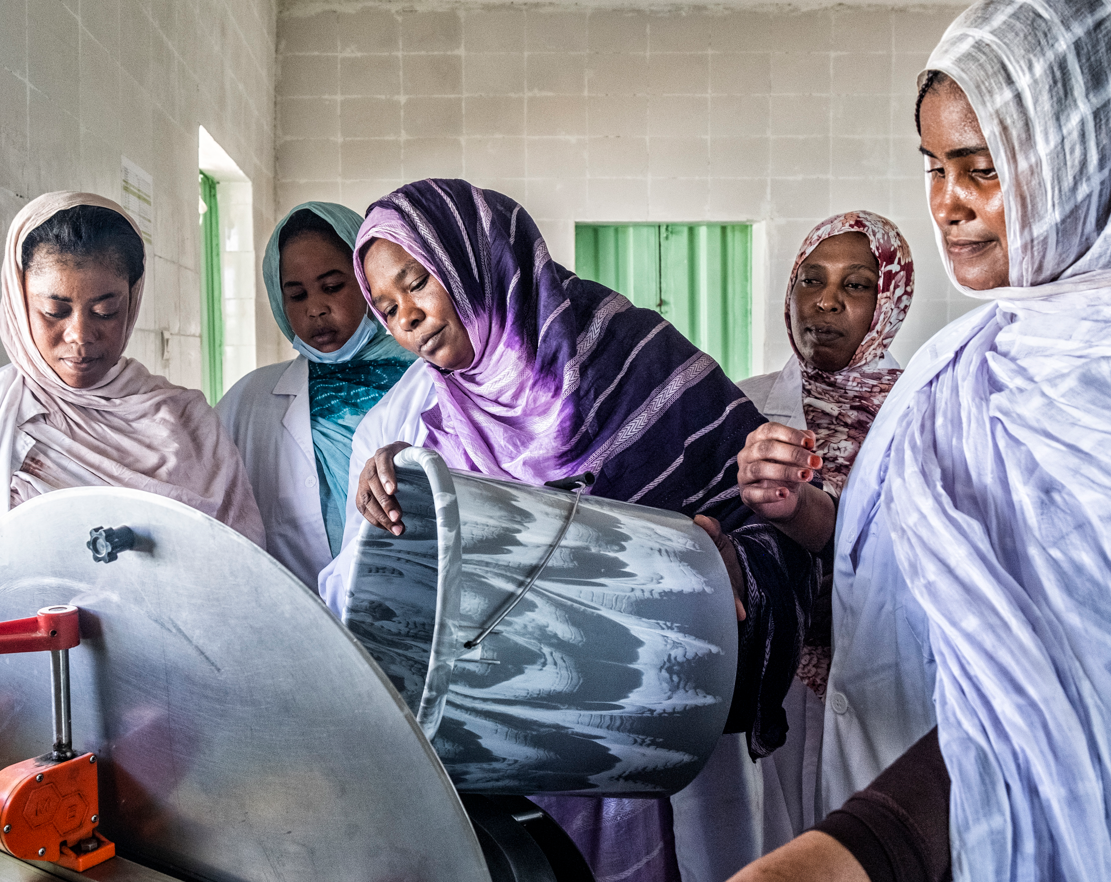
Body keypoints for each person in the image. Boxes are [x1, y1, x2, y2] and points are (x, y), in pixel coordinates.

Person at [342, 178, 822, 882]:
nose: (405, 318)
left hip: (665, 710)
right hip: (519, 739)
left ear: (477, 260)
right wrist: (399, 496)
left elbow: (761, 509)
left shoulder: (630, 356)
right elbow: (439, 586)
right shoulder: (432, 421)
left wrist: (721, 568)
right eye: (385, 308)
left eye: (416, 283)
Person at [731, 0, 1111, 878]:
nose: (947, 203)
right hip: (904, 792)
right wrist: (800, 514)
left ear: (1082, 161)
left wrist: (870, 843)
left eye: (980, 169)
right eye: (932, 168)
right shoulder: (961, 366)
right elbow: (891, 571)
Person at [0, 192, 264, 770]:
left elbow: (244, 585)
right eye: (55, 309)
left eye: (105, 309)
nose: (80, 336)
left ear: (134, 299)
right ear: (20, 299)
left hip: (179, 728)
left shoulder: (187, 425)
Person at [671, 212, 914, 882]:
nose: (826, 300)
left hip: (884, 680)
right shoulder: (741, 409)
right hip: (769, 685)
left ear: (889, 302)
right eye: (811, 279)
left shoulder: (923, 414)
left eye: (856, 285)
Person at [217, 203, 416, 589]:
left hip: (413, 615)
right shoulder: (249, 399)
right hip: (296, 619)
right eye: (295, 295)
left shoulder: (430, 379)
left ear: (368, 282)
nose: (315, 309)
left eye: (332, 287)